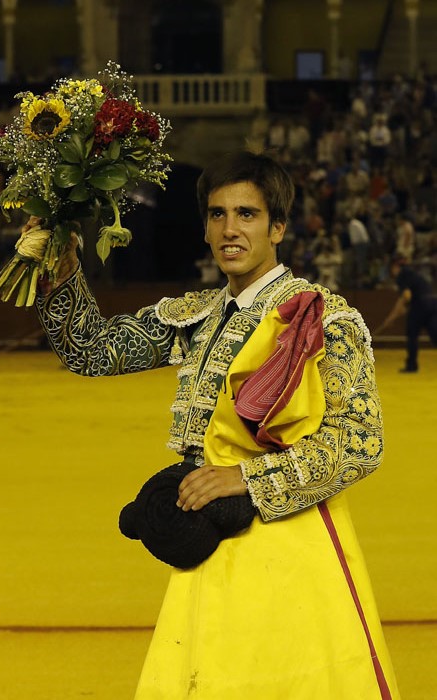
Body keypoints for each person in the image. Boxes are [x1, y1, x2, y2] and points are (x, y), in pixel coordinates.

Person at [30, 151, 399, 698]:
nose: (230, 230)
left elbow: (360, 444)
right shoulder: (198, 315)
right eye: (217, 214)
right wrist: (61, 261)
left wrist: (247, 479)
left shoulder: (322, 318)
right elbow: (91, 350)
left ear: (278, 227)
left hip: (289, 543)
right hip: (210, 539)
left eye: (247, 214)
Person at [375, 256, 437, 373]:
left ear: (395, 267)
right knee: (435, 334)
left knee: (412, 335)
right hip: (433, 303)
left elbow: (406, 296)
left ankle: (411, 365)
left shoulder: (402, 275)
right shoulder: (413, 273)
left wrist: (391, 318)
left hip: (420, 305)